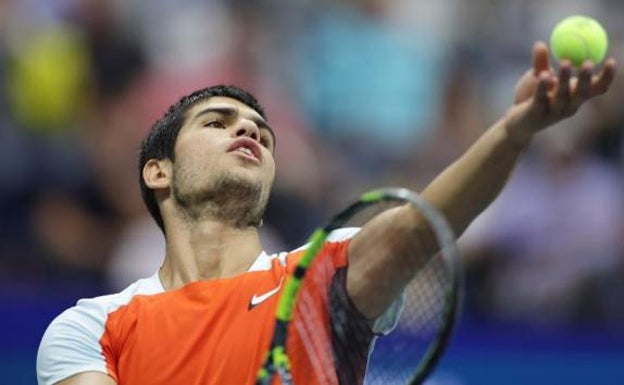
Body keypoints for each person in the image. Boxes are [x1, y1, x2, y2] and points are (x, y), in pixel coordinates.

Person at [36, 42, 616, 385]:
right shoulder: (90, 328)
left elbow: (416, 230)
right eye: (217, 122)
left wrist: (514, 131)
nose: (247, 130)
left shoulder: (319, 277)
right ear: (157, 171)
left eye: (261, 131)